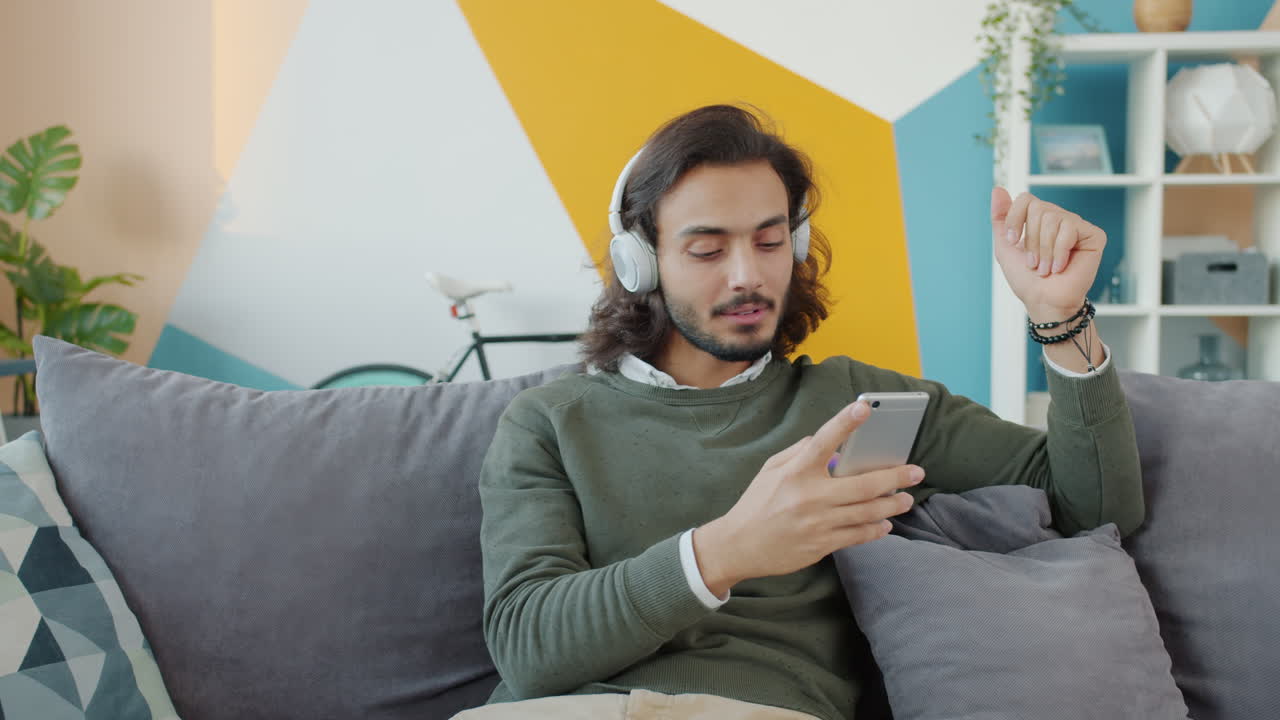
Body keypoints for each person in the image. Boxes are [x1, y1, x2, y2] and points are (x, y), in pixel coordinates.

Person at [453, 104, 1142, 720]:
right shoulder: (548, 422)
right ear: (640, 262)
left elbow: (1096, 508)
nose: (748, 274)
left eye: (771, 239)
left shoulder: (860, 405)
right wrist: (728, 549)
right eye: (707, 248)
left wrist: (1060, 318)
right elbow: (528, 647)